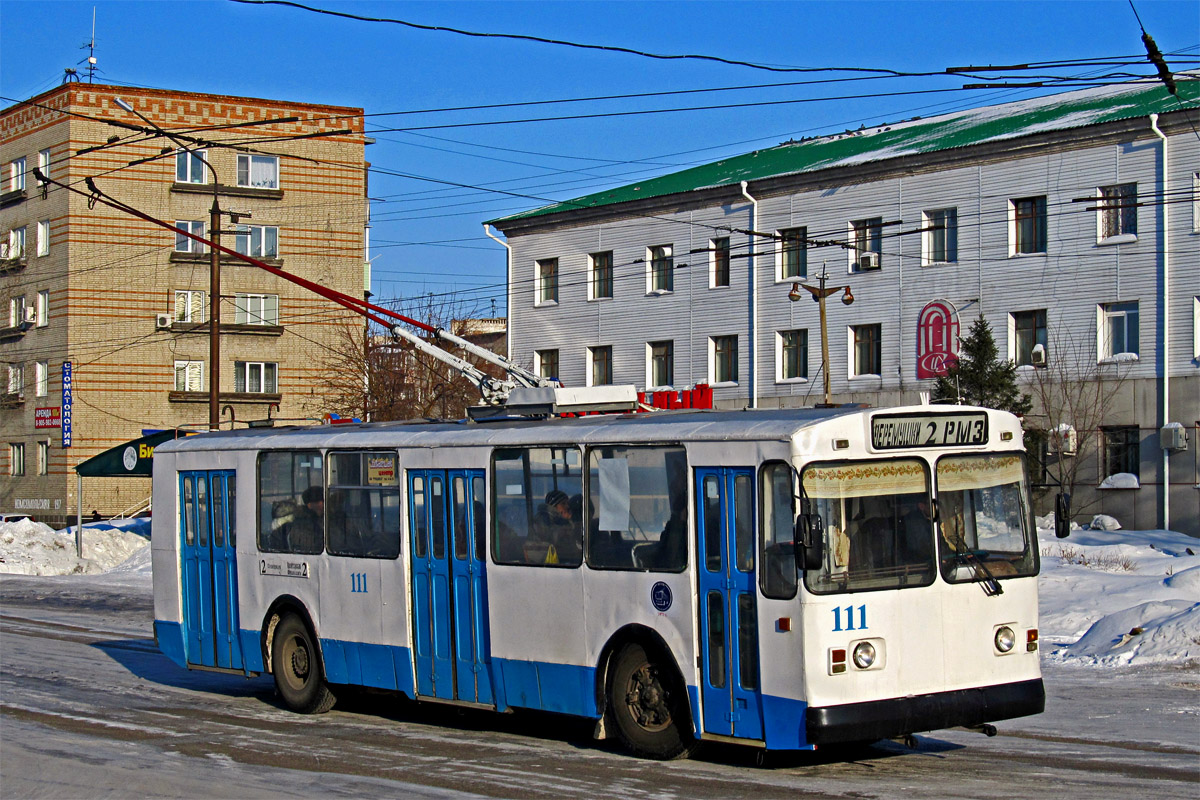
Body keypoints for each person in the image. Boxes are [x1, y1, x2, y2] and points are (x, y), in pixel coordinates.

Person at [287, 485, 324, 553]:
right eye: (318, 502)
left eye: (323, 501)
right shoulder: (301, 524)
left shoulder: (328, 518)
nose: (322, 505)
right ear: (309, 505)